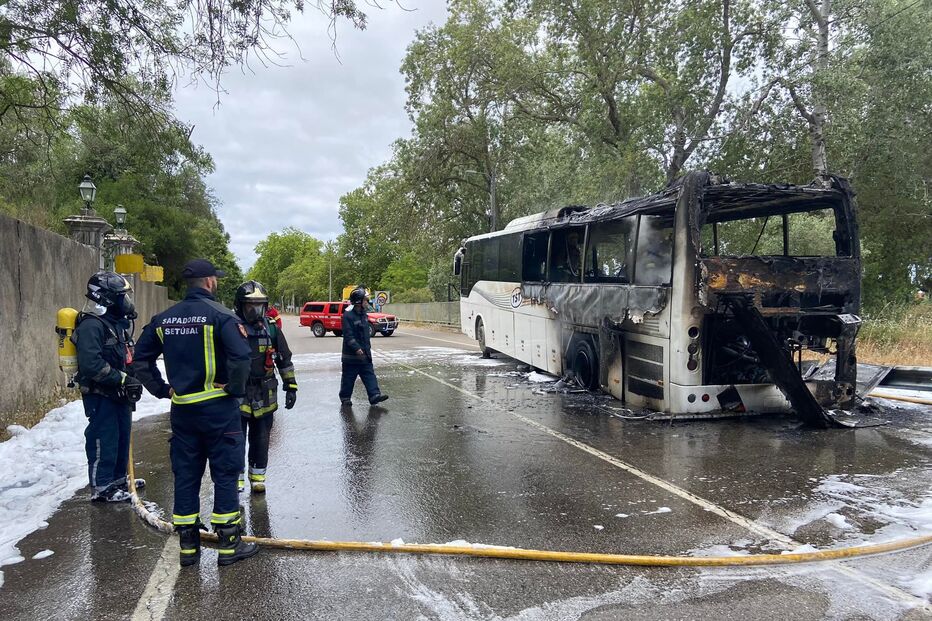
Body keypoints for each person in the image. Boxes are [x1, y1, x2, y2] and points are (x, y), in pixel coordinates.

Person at [132, 259, 258, 568]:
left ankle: (188, 546)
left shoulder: (164, 319)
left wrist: (163, 390)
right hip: (219, 409)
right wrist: (234, 389)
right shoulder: (221, 316)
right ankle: (229, 544)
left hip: (184, 410)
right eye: (215, 278)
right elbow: (242, 358)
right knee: (226, 473)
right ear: (210, 282)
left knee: (186, 474)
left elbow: (139, 360)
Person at [72, 271, 145, 502]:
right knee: (104, 438)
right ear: (106, 299)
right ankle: (102, 487)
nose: (126, 302)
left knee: (122, 436)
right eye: (121, 297)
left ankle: (119, 479)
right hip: (100, 395)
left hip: (119, 394)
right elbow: (92, 365)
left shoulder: (116, 325)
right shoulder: (91, 326)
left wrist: (132, 377)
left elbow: (125, 356)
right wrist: (122, 379)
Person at [233, 281, 297, 494]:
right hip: (237, 393)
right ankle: (236, 479)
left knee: (261, 438)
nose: (255, 310)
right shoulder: (230, 327)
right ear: (239, 305)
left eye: (260, 305)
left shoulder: (271, 328)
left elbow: (284, 358)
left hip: (265, 391)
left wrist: (291, 386)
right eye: (251, 305)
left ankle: (258, 477)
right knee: (235, 438)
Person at [339, 287, 389, 406]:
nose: (367, 302)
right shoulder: (348, 315)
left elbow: (365, 335)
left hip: (365, 354)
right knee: (348, 378)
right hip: (351, 356)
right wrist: (356, 348)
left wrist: (366, 350)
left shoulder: (363, 314)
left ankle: (374, 396)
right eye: (365, 300)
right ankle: (345, 398)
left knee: (369, 375)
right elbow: (348, 335)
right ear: (358, 301)